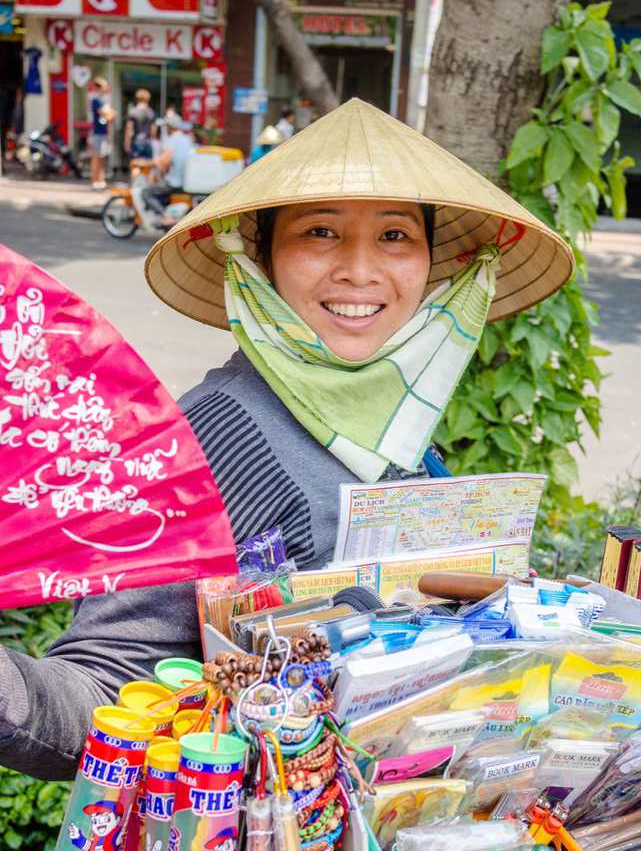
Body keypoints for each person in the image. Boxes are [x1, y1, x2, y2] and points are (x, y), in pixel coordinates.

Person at [0, 99, 572, 781]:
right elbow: (107, 687)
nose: (361, 271)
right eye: (321, 232)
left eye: (395, 237)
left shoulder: (399, 421)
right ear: (260, 258)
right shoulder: (214, 437)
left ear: (428, 262)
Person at [138, 113, 194, 224]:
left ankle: (167, 216)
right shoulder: (187, 139)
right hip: (186, 180)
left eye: (166, 127)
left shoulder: (172, 140)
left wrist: (144, 163)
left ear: (169, 127)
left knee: (146, 193)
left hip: (175, 182)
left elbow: (163, 161)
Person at [88, 77, 115, 191]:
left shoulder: (102, 101)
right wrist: (110, 114)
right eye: (104, 87)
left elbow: (111, 115)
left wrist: (110, 114)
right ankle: (95, 181)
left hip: (103, 133)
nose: (106, 89)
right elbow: (109, 115)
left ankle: (101, 181)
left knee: (102, 158)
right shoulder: (96, 101)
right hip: (98, 133)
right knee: (96, 157)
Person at [124, 88, 156, 161]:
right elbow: (153, 131)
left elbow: (129, 130)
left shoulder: (133, 112)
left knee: (135, 167)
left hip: (136, 142)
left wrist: (127, 144)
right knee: (147, 167)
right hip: (148, 142)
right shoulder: (151, 112)